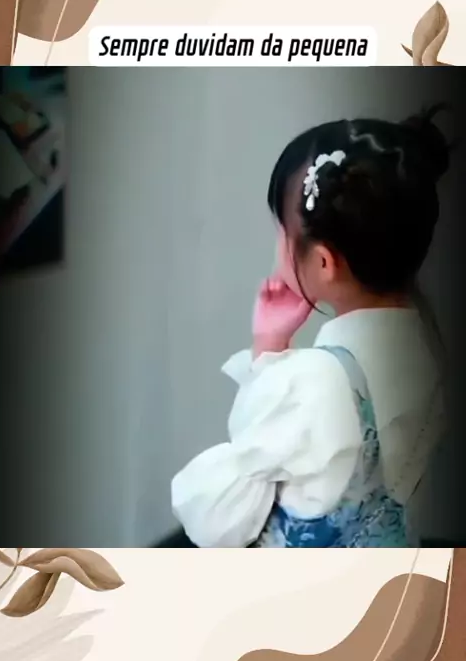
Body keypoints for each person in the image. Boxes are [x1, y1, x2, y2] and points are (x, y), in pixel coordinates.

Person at [171, 106, 450, 547]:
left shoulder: (314, 381)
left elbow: (219, 519)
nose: (278, 244)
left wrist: (267, 349)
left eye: (282, 232)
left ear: (322, 262)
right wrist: (274, 343)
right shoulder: (429, 342)